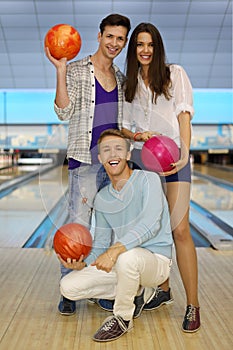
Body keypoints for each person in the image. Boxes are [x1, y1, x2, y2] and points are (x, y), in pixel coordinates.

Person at [44, 14, 131, 315]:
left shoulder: (121, 79)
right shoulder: (78, 69)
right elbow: (63, 111)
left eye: (120, 38)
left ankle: (103, 288)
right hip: (84, 162)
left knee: (108, 232)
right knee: (76, 230)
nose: (115, 43)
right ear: (100, 36)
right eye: (110, 36)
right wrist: (60, 70)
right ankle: (69, 289)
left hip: (114, 166)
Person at [57, 129, 173, 342]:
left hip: (156, 262)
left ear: (128, 154)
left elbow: (151, 224)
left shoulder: (149, 180)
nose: (113, 154)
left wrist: (115, 250)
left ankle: (122, 318)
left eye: (119, 149)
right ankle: (136, 290)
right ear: (100, 158)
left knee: (128, 258)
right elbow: (101, 246)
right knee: (68, 287)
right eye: (107, 150)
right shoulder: (102, 198)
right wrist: (82, 265)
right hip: (124, 263)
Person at [121, 23, 200, 333]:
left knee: (179, 229)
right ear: (133, 49)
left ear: (158, 47)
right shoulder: (129, 84)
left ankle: (193, 304)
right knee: (150, 229)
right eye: (139, 44)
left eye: (150, 44)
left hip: (174, 156)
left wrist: (184, 153)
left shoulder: (174, 74)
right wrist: (136, 135)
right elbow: (125, 126)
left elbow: (184, 114)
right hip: (143, 158)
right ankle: (162, 289)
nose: (145, 49)